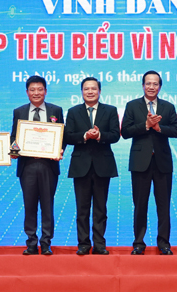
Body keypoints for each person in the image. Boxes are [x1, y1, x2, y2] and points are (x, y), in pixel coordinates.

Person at [121, 70, 177, 255]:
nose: (151, 87)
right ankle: (139, 243)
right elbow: (125, 132)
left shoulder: (168, 107)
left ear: (160, 87)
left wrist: (159, 128)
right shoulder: (132, 106)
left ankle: (164, 243)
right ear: (142, 85)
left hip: (162, 162)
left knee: (163, 206)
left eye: (155, 84)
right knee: (140, 205)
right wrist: (146, 126)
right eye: (148, 83)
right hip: (140, 163)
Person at [63, 77, 120, 255]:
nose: (90, 92)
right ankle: (83, 244)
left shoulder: (110, 110)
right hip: (81, 166)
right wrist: (85, 136)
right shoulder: (73, 111)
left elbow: (115, 135)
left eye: (93, 89)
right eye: (86, 89)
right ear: (82, 92)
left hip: (103, 165)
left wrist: (100, 135)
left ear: (99, 91)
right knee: (82, 209)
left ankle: (100, 245)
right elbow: (68, 136)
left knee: (101, 209)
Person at [10, 75, 64, 255]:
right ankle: (31, 242)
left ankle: (46, 242)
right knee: (30, 205)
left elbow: (62, 135)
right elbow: (14, 137)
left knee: (48, 205)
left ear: (45, 91)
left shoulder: (56, 110)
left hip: (49, 166)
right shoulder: (19, 111)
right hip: (27, 166)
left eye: (40, 89)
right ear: (27, 92)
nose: (36, 93)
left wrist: (60, 150)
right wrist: (13, 149)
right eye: (32, 90)